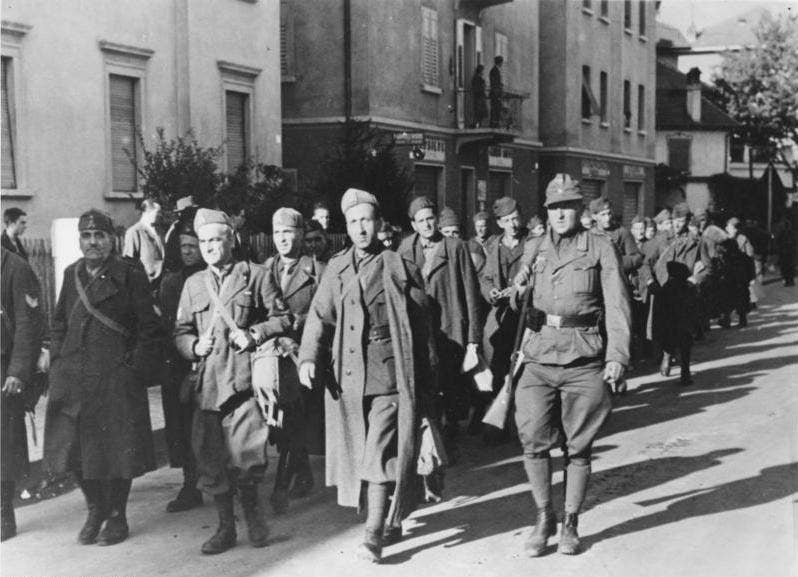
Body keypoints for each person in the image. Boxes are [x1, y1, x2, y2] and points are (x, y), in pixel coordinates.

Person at [298, 188, 436, 563]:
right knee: (362, 451)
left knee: (377, 452)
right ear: (347, 226)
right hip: (349, 378)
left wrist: (426, 381)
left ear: (379, 224)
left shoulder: (399, 265)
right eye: (354, 221)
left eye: (367, 220)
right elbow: (318, 317)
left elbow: (423, 328)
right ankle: (389, 516)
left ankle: (373, 533)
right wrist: (308, 357)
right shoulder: (336, 268)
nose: (361, 228)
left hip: (391, 374)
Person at [512, 173, 630, 557]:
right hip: (540, 355)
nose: (560, 214)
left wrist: (617, 357)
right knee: (532, 437)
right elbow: (518, 302)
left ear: (580, 210)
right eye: (554, 208)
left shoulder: (599, 247)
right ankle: (544, 516)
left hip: (584, 357)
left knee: (578, 447)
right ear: (546, 212)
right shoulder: (535, 247)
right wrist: (517, 288)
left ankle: (571, 523)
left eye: (567, 207)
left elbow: (617, 305)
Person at [173, 208, 291, 554]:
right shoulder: (193, 284)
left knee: (247, 458)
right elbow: (180, 332)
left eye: (216, 240)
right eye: (204, 241)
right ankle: (226, 528)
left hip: (243, 385)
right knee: (211, 462)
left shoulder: (254, 275)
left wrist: (254, 334)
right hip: (208, 388)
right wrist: (194, 346)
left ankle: (253, 516)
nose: (209, 247)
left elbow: (283, 318)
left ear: (231, 240)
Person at [43, 209, 162, 546]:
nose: (92, 242)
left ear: (113, 240)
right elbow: (59, 322)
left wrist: (132, 370)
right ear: (80, 239)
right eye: (87, 236)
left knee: (116, 450)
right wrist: (56, 362)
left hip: (114, 379)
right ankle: (95, 506)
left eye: (100, 236)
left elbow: (149, 329)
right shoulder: (72, 273)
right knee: (71, 448)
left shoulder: (129, 274)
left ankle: (116, 516)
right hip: (73, 377)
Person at [399, 197, 482, 455]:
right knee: (427, 385)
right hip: (420, 330)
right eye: (421, 220)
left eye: (430, 218)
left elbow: (471, 292)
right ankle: (433, 437)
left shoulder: (455, 247)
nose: (427, 224)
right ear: (413, 224)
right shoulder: (404, 250)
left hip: (450, 326)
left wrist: (473, 340)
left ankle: (450, 434)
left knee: (450, 383)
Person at [263, 208, 326, 514]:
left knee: (292, 422)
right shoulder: (264, 270)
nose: (283, 239)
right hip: (270, 359)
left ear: (301, 234)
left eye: (289, 232)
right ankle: (303, 475)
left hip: (301, 359)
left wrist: (300, 323)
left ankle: (280, 489)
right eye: (277, 233)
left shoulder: (318, 270)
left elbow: (326, 314)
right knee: (283, 426)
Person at [158, 220, 205, 513]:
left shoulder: (210, 277)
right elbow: (166, 323)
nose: (188, 252)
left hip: (209, 358)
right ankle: (190, 484)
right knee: (181, 426)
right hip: (177, 361)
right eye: (183, 246)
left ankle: (224, 480)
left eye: (193, 246)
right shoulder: (171, 281)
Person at [1, 248, 45, 541]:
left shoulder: (15, 268)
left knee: (3, 444)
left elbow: (28, 324)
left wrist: (17, 371)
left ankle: (4, 512)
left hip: (4, 369)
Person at [649, 203, 710, 386]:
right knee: (666, 329)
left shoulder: (696, 242)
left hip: (685, 294)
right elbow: (646, 264)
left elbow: (708, 268)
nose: (677, 225)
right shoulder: (660, 240)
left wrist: (695, 279)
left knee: (685, 332)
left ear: (687, 221)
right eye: (674, 221)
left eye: (681, 221)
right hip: (664, 293)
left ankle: (685, 369)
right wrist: (650, 282)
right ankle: (667, 355)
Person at [479, 196, 526, 431]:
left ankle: (523, 422)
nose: (513, 225)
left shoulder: (533, 242)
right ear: (499, 223)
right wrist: (492, 291)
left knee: (525, 370)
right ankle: (499, 425)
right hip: (501, 317)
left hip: (526, 316)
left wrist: (518, 290)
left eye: (516, 218)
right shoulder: (494, 246)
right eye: (507, 220)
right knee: (497, 367)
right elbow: (486, 278)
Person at [589, 197, 643, 276]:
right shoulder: (590, 235)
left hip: (618, 278)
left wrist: (617, 262)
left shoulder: (622, 232)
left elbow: (637, 258)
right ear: (594, 216)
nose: (607, 218)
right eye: (603, 215)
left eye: (609, 213)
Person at [124, 199, 165, 287]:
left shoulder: (159, 232)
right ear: (146, 213)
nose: (160, 215)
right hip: (144, 285)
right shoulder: (134, 232)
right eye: (157, 212)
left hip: (161, 283)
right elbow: (129, 262)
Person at [725, 216, 755, 325]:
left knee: (740, 296)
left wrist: (751, 276)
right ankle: (727, 319)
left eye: (728, 226)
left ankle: (741, 318)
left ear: (734, 228)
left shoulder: (742, 239)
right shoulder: (726, 238)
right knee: (728, 295)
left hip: (738, 273)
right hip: (731, 272)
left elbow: (750, 257)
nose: (726, 228)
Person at [164, 195, 199, 272]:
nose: (190, 215)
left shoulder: (199, 226)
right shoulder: (175, 229)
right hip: (180, 268)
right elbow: (170, 251)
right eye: (186, 212)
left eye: (191, 211)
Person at [774, 215, 795, 287]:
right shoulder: (792, 232)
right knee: (790, 266)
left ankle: (786, 280)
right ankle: (790, 280)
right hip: (790, 251)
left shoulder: (781, 232)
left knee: (784, 266)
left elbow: (777, 240)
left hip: (783, 251)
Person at [489, 55, 504, 128]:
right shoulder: (495, 70)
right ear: (499, 62)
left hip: (496, 92)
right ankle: (494, 123)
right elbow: (494, 82)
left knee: (496, 108)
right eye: (501, 62)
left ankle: (495, 123)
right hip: (495, 93)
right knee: (495, 108)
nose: (502, 64)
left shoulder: (495, 70)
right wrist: (499, 87)